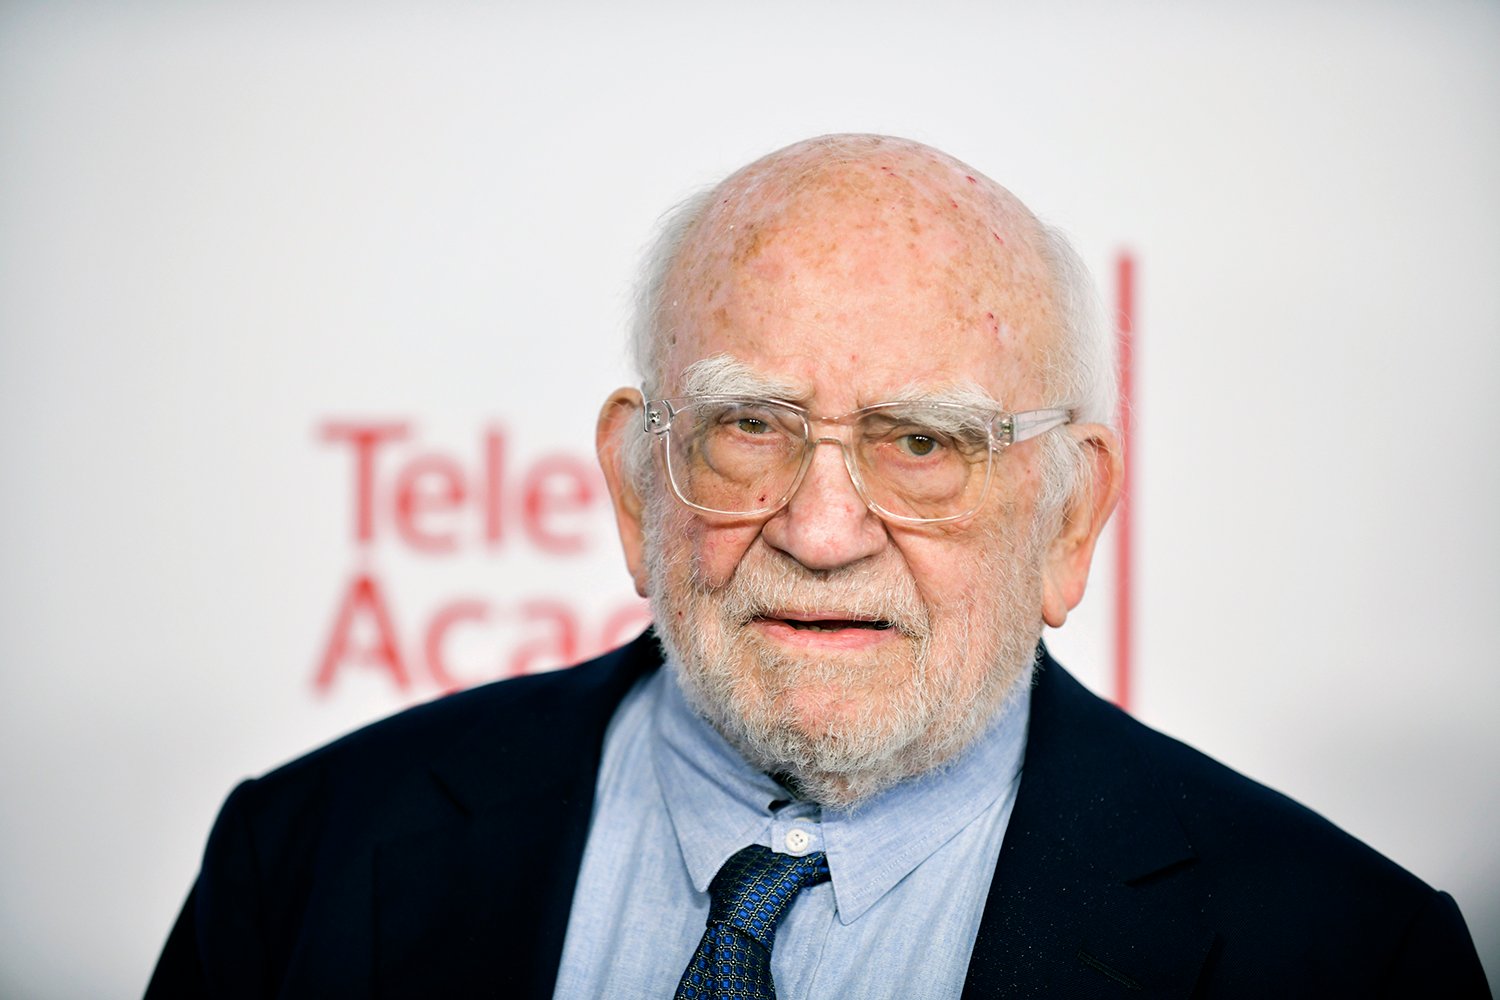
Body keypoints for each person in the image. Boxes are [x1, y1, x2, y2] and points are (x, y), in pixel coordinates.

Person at [147, 134, 1490, 998]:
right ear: (635, 486)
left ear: (1070, 520)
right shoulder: (307, 859)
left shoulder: (1348, 962)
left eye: (924, 441)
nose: (824, 529)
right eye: (748, 429)